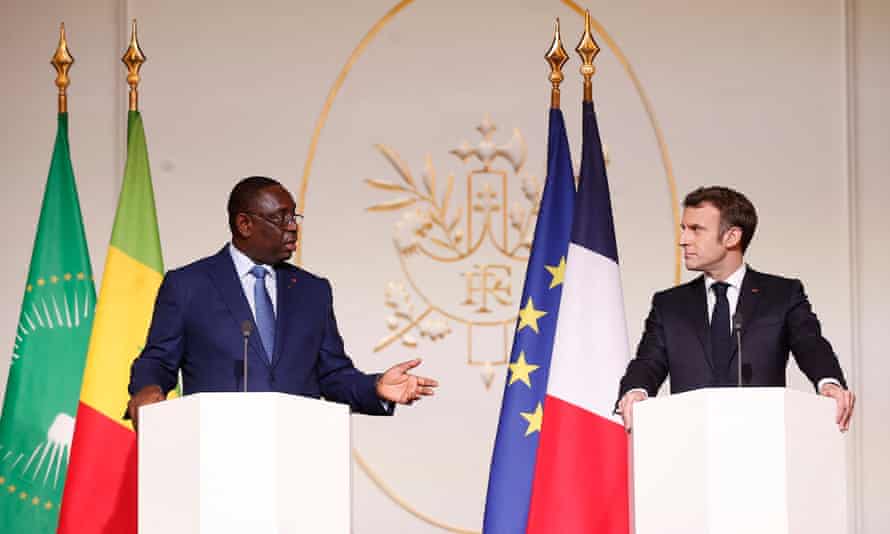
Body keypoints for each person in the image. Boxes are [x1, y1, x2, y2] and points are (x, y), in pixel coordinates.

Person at [127, 176, 438, 428]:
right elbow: (158, 360)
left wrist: (376, 388)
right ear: (244, 224)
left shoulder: (312, 291)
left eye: (294, 216)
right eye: (280, 218)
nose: (292, 226)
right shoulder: (188, 285)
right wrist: (146, 390)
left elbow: (333, 375)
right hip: (215, 454)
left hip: (296, 456)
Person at [616, 186, 854, 432]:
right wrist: (635, 391)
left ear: (731, 237)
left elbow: (810, 344)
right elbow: (648, 362)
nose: (683, 240)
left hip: (761, 441)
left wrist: (829, 383)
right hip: (689, 445)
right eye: (684, 229)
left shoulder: (782, 295)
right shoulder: (669, 305)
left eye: (696, 230)